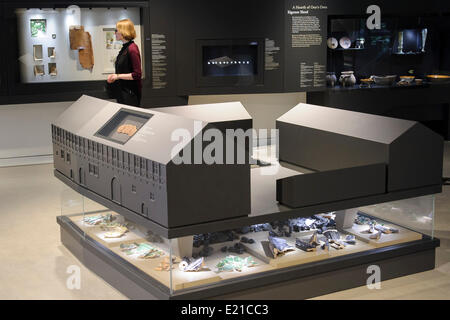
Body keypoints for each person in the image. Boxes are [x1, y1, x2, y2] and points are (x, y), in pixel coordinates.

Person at [107, 19, 142, 107]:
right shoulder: (125, 48)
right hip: (123, 92)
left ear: (123, 31)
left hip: (130, 94)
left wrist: (117, 76)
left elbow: (137, 74)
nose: (115, 33)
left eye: (116, 30)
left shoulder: (132, 49)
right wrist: (115, 76)